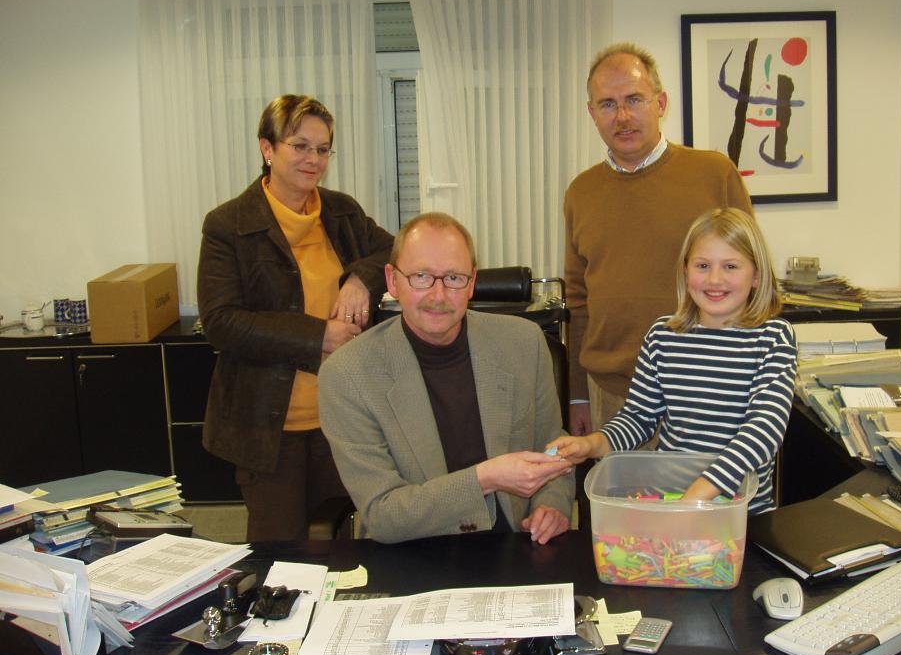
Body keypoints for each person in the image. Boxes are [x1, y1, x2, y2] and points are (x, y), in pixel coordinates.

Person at [197, 94, 394, 541]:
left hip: (340, 418)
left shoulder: (341, 212)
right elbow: (221, 322)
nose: (314, 160)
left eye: (323, 149)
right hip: (269, 428)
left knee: (339, 546)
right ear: (267, 148)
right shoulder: (228, 225)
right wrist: (319, 336)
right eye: (300, 146)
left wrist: (360, 278)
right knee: (280, 552)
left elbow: (394, 250)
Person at [318, 212, 574, 544]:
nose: (438, 296)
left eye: (453, 278)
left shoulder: (524, 343)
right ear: (392, 281)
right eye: (421, 276)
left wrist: (551, 505)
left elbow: (553, 446)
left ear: (472, 282)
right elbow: (382, 515)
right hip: (413, 552)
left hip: (515, 544)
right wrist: (485, 478)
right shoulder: (348, 374)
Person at [549, 208, 796, 514]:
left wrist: (699, 494)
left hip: (742, 515)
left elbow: (763, 429)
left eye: (731, 266)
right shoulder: (663, 336)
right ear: (685, 270)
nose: (715, 279)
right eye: (702, 265)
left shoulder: (773, 338)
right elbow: (638, 418)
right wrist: (592, 444)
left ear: (756, 275)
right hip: (669, 504)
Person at [564, 42, 753, 435]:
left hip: (705, 391)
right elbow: (578, 301)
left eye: (635, 100)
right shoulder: (581, 193)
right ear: (592, 113)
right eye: (608, 104)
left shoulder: (714, 174)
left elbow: (754, 281)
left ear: (661, 103)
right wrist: (578, 394)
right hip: (613, 396)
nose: (623, 116)